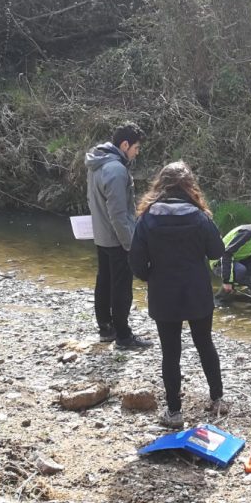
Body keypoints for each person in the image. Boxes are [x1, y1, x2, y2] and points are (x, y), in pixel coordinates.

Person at [129, 161, 228, 428]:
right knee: (205, 344)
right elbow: (217, 252)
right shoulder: (199, 218)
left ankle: (174, 413)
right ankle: (217, 398)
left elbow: (136, 261)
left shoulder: (147, 218)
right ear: (189, 186)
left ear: (160, 185)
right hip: (197, 291)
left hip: (164, 292)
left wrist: (152, 276)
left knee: (170, 352)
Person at [85, 122, 152, 349]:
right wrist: (130, 245)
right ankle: (123, 335)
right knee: (121, 287)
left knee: (104, 281)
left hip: (102, 235)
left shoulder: (96, 163)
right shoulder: (116, 169)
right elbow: (118, 214)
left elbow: (94, 203)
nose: (137, 152)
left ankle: (106, 328)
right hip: (116, 238)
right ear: (124, 145)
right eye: (136, 147)